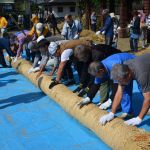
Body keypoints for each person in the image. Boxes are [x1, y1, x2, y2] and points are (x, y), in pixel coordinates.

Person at [99, 53, 150, 126]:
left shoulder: (141, 75)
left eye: (122, 81)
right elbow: (119, 93)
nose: (121, 84)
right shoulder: (123, 70)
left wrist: (139, 118)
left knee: (146, 92)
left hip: (145, 69)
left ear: (129, 75)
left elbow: (148, 98)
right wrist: (112, 113)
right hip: (145, 66)